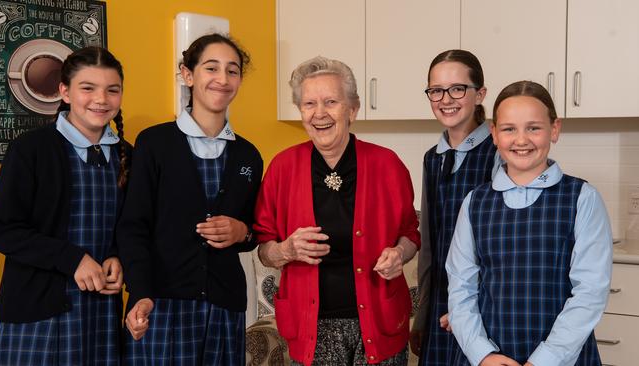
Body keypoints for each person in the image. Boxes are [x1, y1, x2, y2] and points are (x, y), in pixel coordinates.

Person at [254, 56, 420, 366]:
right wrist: (286, 249)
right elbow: (265, 250)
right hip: (310, 328)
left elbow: (410, 234)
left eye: (331, 101)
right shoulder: (282, 168)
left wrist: (399, 253)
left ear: (353, 109)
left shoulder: (388, 165)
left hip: (381, 322)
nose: (319, 114)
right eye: (308, 104)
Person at [117, 33, 262, 366]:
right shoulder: (154, 144)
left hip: (225, 306)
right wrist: (139, 291)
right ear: (188, 74)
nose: (222, 79)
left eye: (233, 70)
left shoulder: (249, 155)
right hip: (160, 303)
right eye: (211, 68)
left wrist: (242, 231)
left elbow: (256, 230)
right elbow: (133, 226)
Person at [446, 80, 612, 366]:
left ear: (554, 130)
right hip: (491, 356)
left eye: (533, 128)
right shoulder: (475, 202)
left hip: (563, 357)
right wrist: (482, 353)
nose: (521, 140)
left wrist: (545, 359)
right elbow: (461, 288)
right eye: (509, 129)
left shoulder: (582, 198)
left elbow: (589, 292)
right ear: (495, 134)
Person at [0, 46, 130, 365]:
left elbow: (131, 227)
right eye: (88, 88)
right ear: (64, 91)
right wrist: (72, 259)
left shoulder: (128, 156)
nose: (101, 99)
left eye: (112, 90)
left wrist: (118, 257)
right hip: (36, 313)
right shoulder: (31, 149)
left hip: (101, 314)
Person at [410, 49, 500, 365]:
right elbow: (429, 247)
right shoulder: (432, 158)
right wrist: (421, 317)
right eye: (436, 90)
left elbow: (501, 243)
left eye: (458, 88)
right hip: (439, 303)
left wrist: (475, 309)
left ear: (480, 94)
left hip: (483, 303)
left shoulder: (499, 151)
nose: (446, 98)